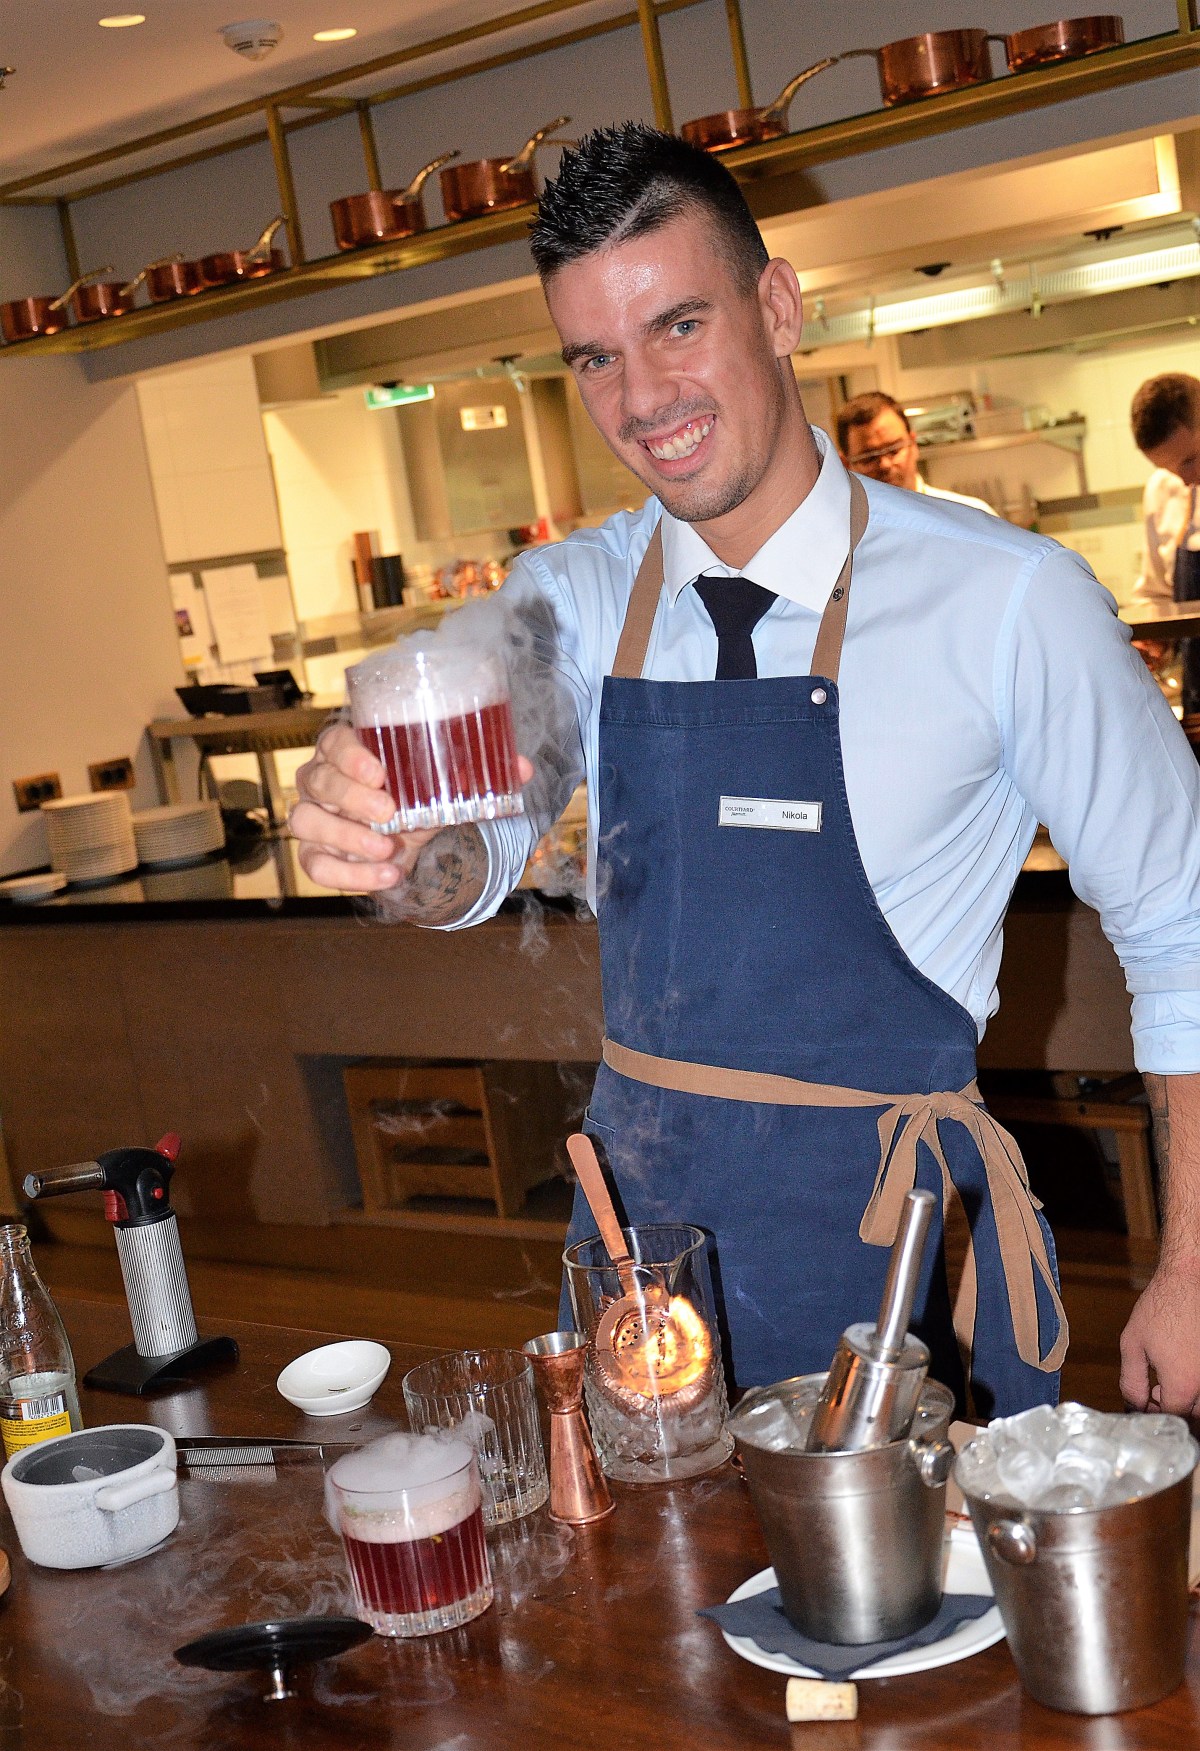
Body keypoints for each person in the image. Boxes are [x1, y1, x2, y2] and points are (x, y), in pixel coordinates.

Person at [293, 125, 1200, 1420]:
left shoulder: (1007, 599)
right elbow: (475, 844)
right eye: (596, 357)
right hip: (643, 1273)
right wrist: (388, 840)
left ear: (777, 306)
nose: (641, 397)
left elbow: (1182, 925)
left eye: (678, 326)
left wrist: (1193, 1261)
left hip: (895, 1266)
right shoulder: (570, 596)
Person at [1128, 373, 1200, 700]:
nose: (1184, 480)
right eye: (1170, 469)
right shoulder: (1161, 489)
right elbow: (1157, 593)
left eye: (1191, 460)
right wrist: (1155, 641)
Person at [836, 390, 996, 514]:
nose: (885, 464)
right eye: (869, 457)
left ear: (913, 444)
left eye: (894, 450)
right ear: (846, 464)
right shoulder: (842, 538)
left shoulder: (971, 517)